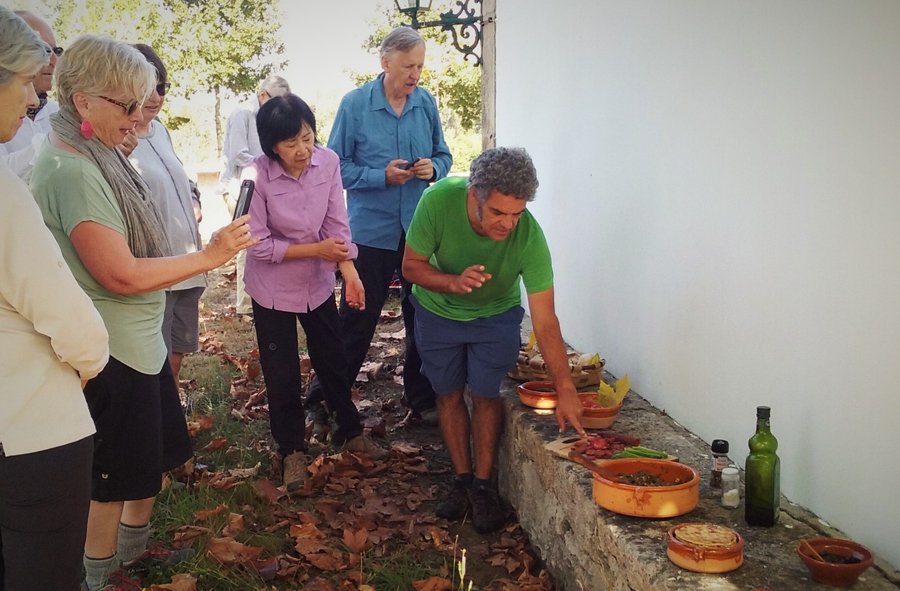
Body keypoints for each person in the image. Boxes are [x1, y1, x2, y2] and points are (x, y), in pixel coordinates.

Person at [30, 35, 257, 591]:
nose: (140, 120)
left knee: (147, 461)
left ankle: (130, 557)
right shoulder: (73, 171)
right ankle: (100, 577)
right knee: (111, 480)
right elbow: (120, 274)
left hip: (139, 340)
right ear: (83, 101)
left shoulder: (98, 153)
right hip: (111, 350)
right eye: (127, 106)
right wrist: (208, 257)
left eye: (146, 105)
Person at [402, 147, 586, 534]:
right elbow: (411, 267)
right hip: (438, 312)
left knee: (486, 393)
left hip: (496, 317)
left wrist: (565, 386)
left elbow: (546, 319)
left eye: (517, 213)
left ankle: (483, 486)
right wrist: (452, 282)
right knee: (448, 393)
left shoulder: (529, 237)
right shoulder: (437, 201)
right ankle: (462, 479)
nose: (508, 225)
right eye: (499, 213)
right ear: (475, 195)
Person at [0, 9, 110, 590]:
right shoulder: (4, 195)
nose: (31, 95)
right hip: (32, 439)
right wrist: (87, 367)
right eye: (22, 79)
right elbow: (73, 324)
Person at [243, 94, 389, 491]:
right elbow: (257, 244)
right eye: (291, 144)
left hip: (318, 281)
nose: (302, 150)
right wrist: (315, 251)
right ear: (272, 146)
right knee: (282, 370)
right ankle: (291, 450)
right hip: (272, 287)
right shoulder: (255, 177)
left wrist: (348, 269)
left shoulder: (328, 162)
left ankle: (348, 428)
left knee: (333, 357)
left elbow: (336, 222)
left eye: (307, 137)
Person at [314, 26, 452, 428]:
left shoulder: (425, 103)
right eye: (408, 65)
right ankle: (326, 400)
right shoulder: (355, 104)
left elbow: (444, 154)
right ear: (385, 62)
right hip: (369, 232)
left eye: (420, 66)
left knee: (422, 316)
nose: (415, 74)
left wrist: (434, 169)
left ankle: (420, 398)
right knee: (356, 319)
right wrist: (380, 176)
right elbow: (333, 168)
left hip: (419, 231)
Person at [128, 44, 204, 383]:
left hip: (188, 260)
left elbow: (182, 177)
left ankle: (170, 413)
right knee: (155, 351)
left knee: (179, 348)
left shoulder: (161, 131)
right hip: (155, 267)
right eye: (148, 87)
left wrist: (195, 198)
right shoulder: (118, 140)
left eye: (162, 87)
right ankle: (161, 422)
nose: (157, 96)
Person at [216, 74, 291, 317]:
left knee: (261, 241)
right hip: (239, 188)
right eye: (275, 102)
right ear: (262, 95)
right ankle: (246, 306)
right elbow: (239, 155)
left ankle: (263, 299)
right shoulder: (243, 114)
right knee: (247, 244)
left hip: (264, 189)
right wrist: (275, 168)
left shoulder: (268, 117)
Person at [0, 11, 61, 182]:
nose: (54, 60)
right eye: (45, 49)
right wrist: (58, 141)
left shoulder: (58, 111)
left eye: (57, 51)